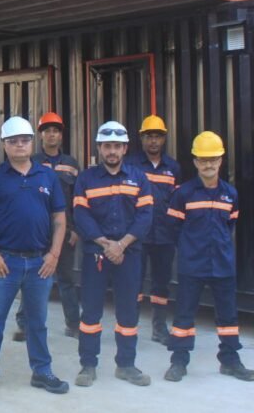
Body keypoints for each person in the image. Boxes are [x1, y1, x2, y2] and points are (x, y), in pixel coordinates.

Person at [0, 117, 69, 401]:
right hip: (5, 262)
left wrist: (54, 254)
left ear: (32, 142)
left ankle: (42, 371)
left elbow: (60, 218)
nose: (19, 145)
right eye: (12, 141)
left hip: (40, 263)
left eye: (24, 140)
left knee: (37, 322)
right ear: (4, 145)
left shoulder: (47, 176)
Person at [163, 131, 254, 382]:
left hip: (222, 264)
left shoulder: (230, 194)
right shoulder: (183, 194)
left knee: (228, 317)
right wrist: (190, 248)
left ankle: (230, 361)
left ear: (220, 160)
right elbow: (173, 228)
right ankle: (178, 362)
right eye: (203, 160)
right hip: (192, 264)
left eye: (213, 159)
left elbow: (230, 224)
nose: (208, 165)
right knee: (184, 315)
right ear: (195, 161)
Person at [73, 121, 153, 387]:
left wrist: (122, 245)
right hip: (96, 253)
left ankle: (126, 365)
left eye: (117, 146)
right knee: (91, 311)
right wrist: (106, 243)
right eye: (107, 146)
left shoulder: (139, 178)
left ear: (125, 148)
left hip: (129, 253)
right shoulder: (86, 179)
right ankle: (88, 365)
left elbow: (145, 215)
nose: (112, 151)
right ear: (99, 147)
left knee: (128, 312)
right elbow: (80, 214)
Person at [14, 112, 81, 340]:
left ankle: (73, 324)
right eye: (47, 131)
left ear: (61, 135)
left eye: (56, 131)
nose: (52, 135)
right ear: (40, 135)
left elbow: (78, 199)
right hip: (37, 231)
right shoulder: (30, 161)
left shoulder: (71, 164)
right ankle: (24, 325)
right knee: (31, 277)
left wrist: (76, 229)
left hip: (65, 231)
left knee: (66, 279)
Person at [125, 115, 182, 345]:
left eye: (158, 136)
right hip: (137, 235)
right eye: (149, 136)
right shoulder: (131, 165)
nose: (153, 141)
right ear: (142, 138)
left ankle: (159, 328)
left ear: (164, 138)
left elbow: (177, 201)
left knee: (161, 283)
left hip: (165, 235)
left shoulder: (173, 167)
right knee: (134, 282)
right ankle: (130, 327)